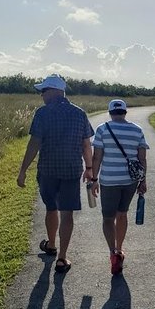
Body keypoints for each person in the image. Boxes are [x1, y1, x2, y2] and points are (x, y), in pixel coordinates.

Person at [17, 74, 94, 274]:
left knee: (51, 208)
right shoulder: (80, 113)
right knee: (67, 213)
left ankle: (51, 244)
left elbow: (34, 143)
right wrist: (90, 168)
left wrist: (23, 170)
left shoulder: (42, 114)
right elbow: (86, 144)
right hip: (71, 170)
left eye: (43, 91)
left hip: (48, 170)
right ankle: (62, 257)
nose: (41, 95)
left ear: (54, 91)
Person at [90, 99, 149, 275]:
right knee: (122, 214)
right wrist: (143, 180)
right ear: (125, 112)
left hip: (108, 180)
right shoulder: (137, 130)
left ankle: (113, 253)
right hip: (129, 181)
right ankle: (120, 248)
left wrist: (94, 179)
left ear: (110, 112)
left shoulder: (102, 129)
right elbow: (142, 159)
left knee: (108, 218)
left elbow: (96, 158)